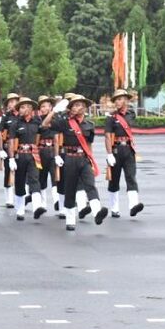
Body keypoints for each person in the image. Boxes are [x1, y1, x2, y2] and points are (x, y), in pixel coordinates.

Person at [41, 94, 109, 231]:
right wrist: (54, 110)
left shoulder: (89, 124)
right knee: (70, 189)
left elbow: (89, 144)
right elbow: (44, 124)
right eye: (77, 105)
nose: (80, 107)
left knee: (90, 185)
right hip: (69, 158)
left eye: (82, 105)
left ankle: (97, 212)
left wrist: (91, 159)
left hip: (84, 158)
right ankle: (70, 219)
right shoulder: (64, 122)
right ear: (70, 108)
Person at [105, 89, 144, 217]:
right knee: (114, 180)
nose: (117, 102)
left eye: (120, 99)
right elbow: (107, 136)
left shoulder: (131, 114)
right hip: (116, 150)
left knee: (131, 177)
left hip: (128, 149)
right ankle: (114, 208)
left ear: (126, 100)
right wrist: (109, 153)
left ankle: (133, 205)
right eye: (116, 100)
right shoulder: (111, 118)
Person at [7, 97, 46, 221]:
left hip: (33, 153)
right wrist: (11, 158)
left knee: (34, 178)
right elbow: (11, 141)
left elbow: (40, 135)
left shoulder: (37, 122)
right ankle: (20, 208)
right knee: (20, 181)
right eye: (22, 107)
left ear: (31, 109)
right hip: (20, 154)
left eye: (27, 107)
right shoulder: (15, 124)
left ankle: (37, 207)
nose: (24, 109)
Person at [36, 96, 61, 216]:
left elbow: (57, 138)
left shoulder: (56, 120)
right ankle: (43, 203)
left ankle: (57, 200)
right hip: (41, 150)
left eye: (46, 106)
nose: (44, 108)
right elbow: (41, 128)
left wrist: (58, 154)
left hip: (53, 149)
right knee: (42, 177)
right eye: (42, 106)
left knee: (55, 176)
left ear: (51, 107)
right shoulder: (37, 120)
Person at [0, 92, 20, 209]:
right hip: (8, 147)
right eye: (10, 102)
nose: (11, 104)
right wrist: (1, 149)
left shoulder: (23, 115)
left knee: (22, 173)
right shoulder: (6, 117)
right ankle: (9, 199)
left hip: (21, 148)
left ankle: (21, 197)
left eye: (13, 101)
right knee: (8, 172)